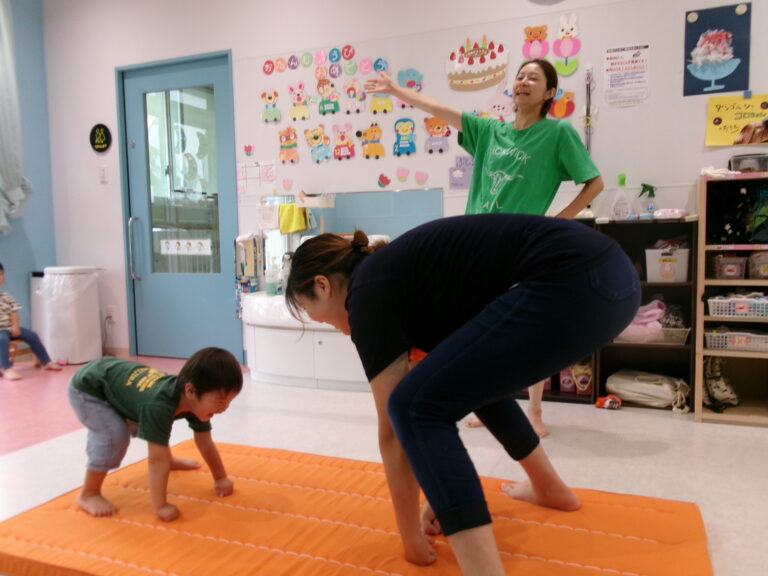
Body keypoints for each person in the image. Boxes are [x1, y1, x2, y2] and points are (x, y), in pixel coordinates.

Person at [284, 214, 640, 575]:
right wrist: (441, 484)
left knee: (411, 407)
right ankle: (549, 488)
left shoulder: (367, 294)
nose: (330, 326)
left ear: (323, 286)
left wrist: (410, 540)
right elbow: (463, 385)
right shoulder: (394, 279)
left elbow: (393, 430)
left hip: (573, 280)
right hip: (615, 280)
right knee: (465, 387)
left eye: (317, 315)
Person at [365, 59, 604, 437]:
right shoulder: (490, 131)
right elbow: (438, 109)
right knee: (480, 330)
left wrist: (557, 222)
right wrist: (395, 91)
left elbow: (594, 183)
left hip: (520, 246)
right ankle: (489, 402)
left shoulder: (557, 132)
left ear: (549, 93)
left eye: (534, 78)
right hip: (474, 243)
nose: (524, 81)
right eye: (521, 75)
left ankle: (535, 412)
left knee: (527, 334)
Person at [67, 347, 243, 521]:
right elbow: (156, 460)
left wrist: (220, 478)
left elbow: (205, 442)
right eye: (220, 401)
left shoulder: (193, 400)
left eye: (229, 401)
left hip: (112, 377)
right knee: (114, 436)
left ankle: (170, 460)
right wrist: (160, 506)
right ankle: (89, 493)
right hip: (88, 388)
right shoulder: (159, 405)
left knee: (156, 428)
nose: (224, 408)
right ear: (190, 390)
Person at [0, 262, 62, 380]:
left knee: (33, 336)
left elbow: (14, 313)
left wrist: (16, 326)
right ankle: (6, 368)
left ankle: (46, 362)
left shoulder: (6, 297)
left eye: (1, 274)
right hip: (1, 332)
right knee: (2, 340)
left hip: (10, 328)